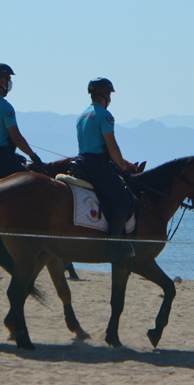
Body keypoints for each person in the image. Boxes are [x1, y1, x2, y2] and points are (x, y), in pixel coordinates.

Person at [76, 77, 137, 262]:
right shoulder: (105, 116)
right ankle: (113, 246)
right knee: (124, 201)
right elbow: (112, 147)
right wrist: (124, 169)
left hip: (81, 162)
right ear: (103, 94)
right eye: (109, 94)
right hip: (97, 165)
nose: (109, 98)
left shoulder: (82, 115)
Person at [0, 63, 43, 178]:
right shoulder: (5, 107)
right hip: (2, 160)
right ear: (2, 81)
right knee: (35, 184)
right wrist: (33, 156)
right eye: (9, 79)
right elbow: (17, 138)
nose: (10, 83)